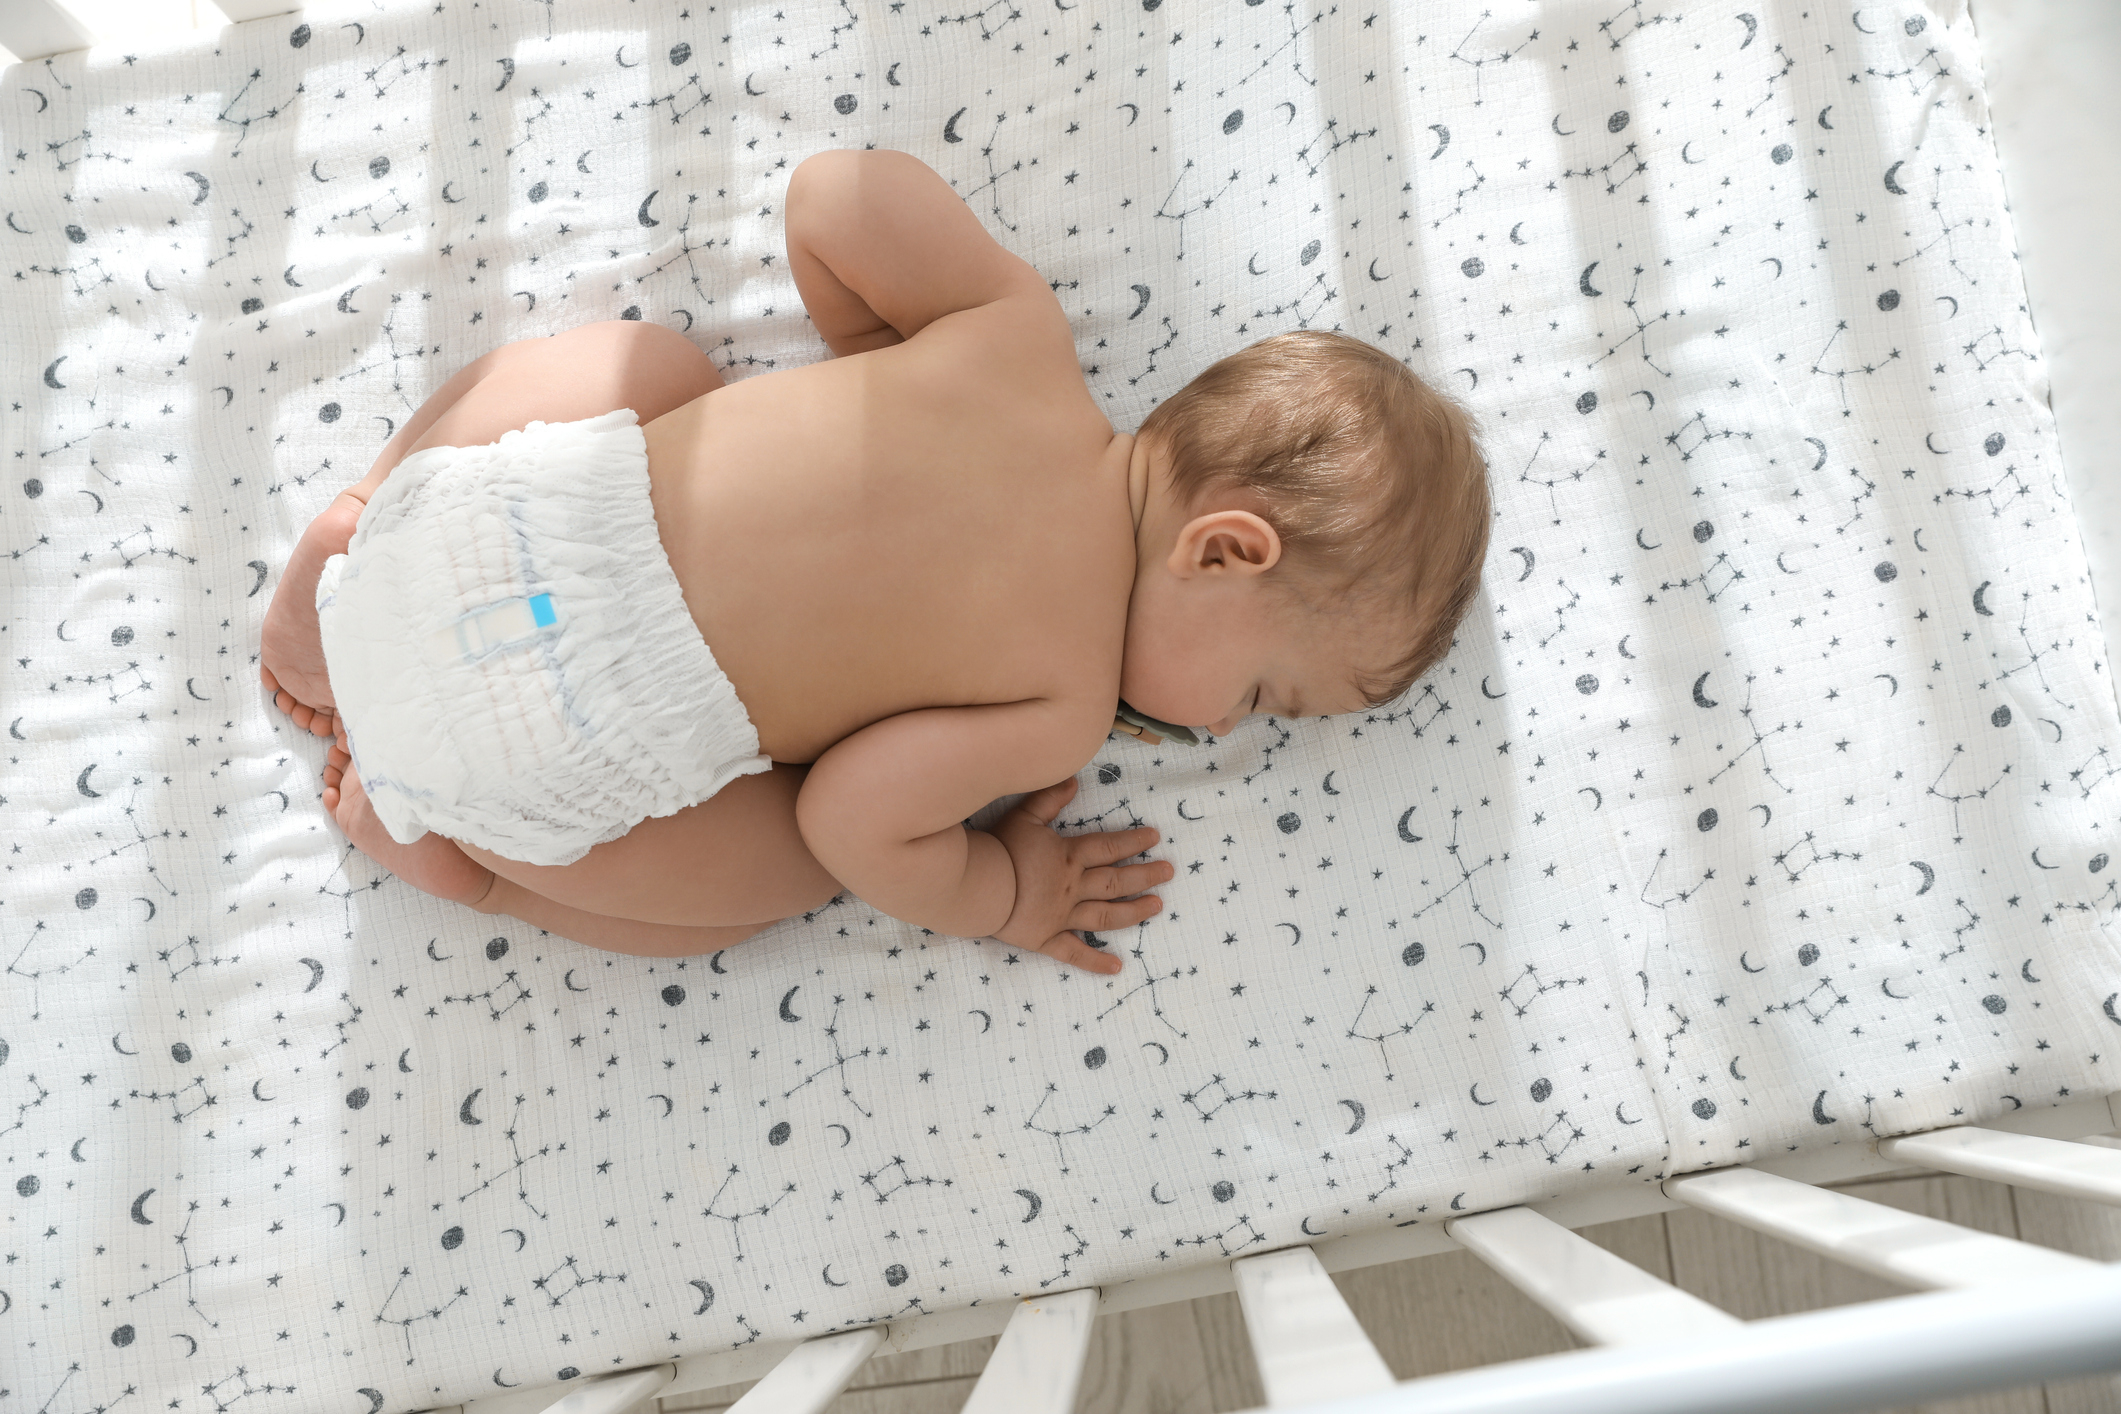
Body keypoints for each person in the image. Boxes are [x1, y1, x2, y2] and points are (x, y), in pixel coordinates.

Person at [257, 148, 1490, 974]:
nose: (1224, 733)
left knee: (660, 371)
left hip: (491, 527)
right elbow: (854, 818)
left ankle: (358, 530)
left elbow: (833, 196)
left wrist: (872, 366)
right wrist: (1004, 894)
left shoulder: (1014, 340)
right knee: (784, 873)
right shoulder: (1055, 708)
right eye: (1264, 693)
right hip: (545, 742)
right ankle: (456, 861)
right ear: (1224, 551)